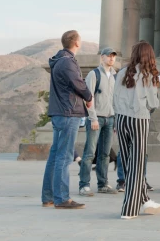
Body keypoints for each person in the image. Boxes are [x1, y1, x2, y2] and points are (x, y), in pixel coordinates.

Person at [41, 30, 93, 210]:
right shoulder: (68, 62)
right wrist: (88, 96)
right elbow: (78, 83)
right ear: (76, 43)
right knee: (64, 156)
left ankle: (48, 197)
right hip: (67, 113)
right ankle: (62, 198)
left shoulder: (58, 60)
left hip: (59, 112)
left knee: (55, 155)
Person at [113, 41, 160, 219]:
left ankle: (145, 200)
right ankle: (129, 209)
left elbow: (115, 97)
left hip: (120, 119)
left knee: (128, 163)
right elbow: (153, 103)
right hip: (139, 119)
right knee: (137, 164)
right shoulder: (148, 75)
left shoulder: (121, 72)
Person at [78, 48, 118, 197]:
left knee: (105, 154)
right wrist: (93, 117)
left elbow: (116, 98)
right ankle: (84, 185)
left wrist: (115, 120)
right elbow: (88, 97)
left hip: (110, 118)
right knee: (90, 153)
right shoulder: (93, 74)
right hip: (96, 118)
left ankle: (103, 184)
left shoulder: (115, 76)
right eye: (108, 56)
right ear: (102, 58)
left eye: (113, 56)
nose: (111, 58)